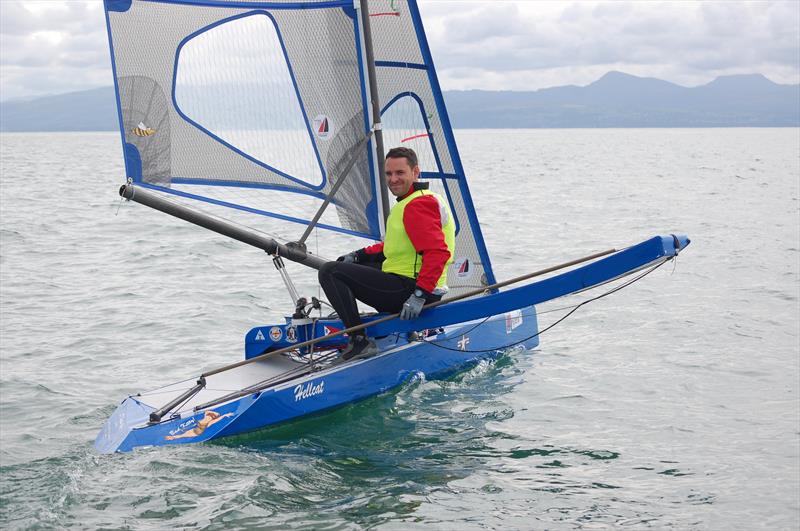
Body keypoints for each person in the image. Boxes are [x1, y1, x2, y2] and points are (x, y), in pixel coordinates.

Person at [318, 147, 455, 361]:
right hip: (413, 284)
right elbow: (391, 247)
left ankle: (359, 341)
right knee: (349, 268)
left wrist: (418, 296)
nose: (393, 179)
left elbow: (438, 253)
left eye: (400, 173)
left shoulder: (417, 205)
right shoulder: (417, 199)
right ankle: (404, 332)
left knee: (330, 272)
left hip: (414, 291)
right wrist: (357, 255)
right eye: (389, 174)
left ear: (415, 172)